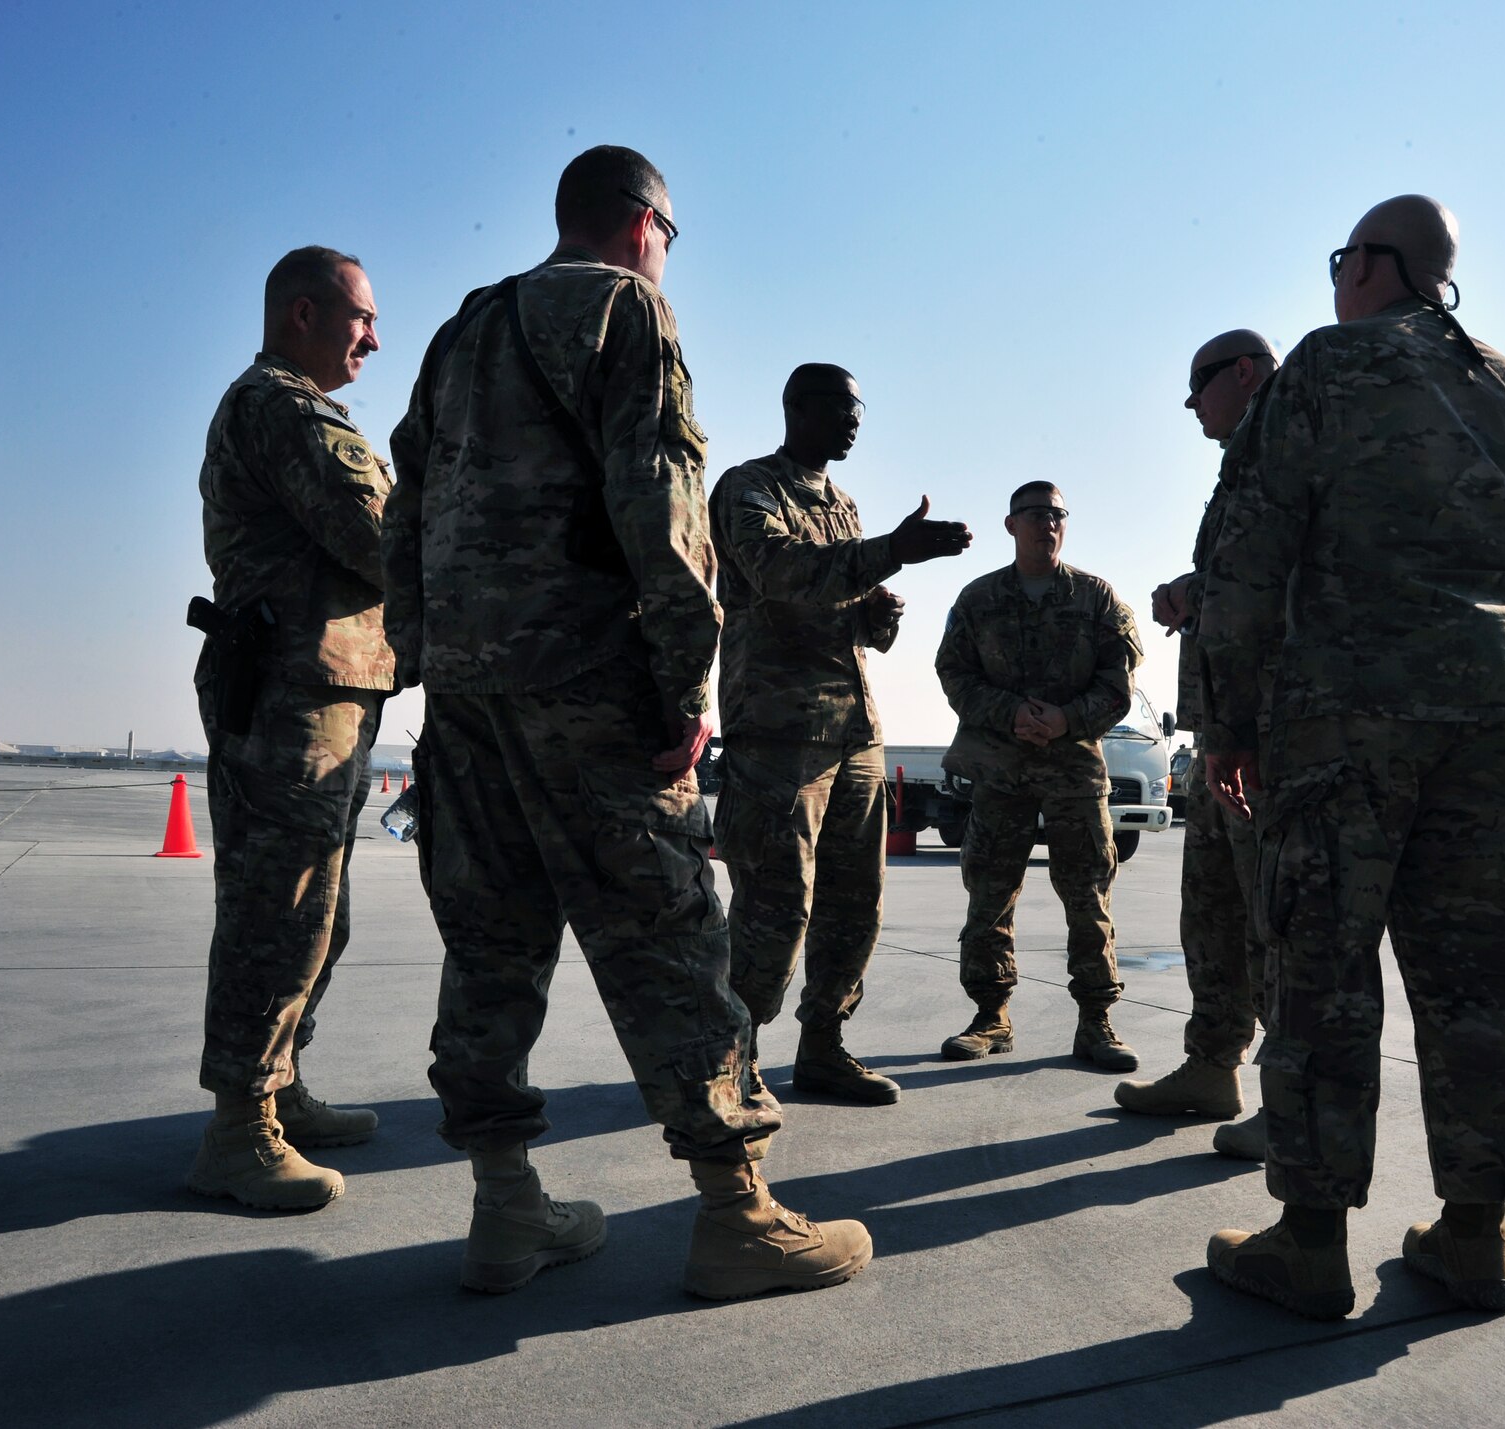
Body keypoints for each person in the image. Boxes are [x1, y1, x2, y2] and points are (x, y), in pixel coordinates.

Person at [385, 146, 870, 1299]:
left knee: (489, 945)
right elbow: (659, 505)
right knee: (667, 942)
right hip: (586, 691)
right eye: (672, 238)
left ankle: (504, 1207)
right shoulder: (624, 311)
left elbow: (405, 507)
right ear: (645, 224)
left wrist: (426, 655)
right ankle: (736, 1212)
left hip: (466, 695)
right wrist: (682, 688)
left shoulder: (464, 329)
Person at [1199, 195, 1505, 1320]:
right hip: (1497, 722)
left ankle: (1310, 1243)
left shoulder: (1326, 367)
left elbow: (1246, 555)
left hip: (1349, 718)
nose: (1332, 282)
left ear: (1375, 265)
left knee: (1321, 972)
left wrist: (1231, 723)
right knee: (1471, 977)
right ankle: (1474, 1235)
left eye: (1339, 260)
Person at [186, 246, 394, 1211]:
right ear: (303, 312)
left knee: (319, 914)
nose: (373, 336)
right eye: (361, 317)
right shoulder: (280, 405)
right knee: (280, 910)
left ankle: (280, 1084)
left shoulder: (290, 406)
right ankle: (242, 1128)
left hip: (322, 693)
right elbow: (377, 533)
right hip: (289, 696)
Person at [709, 364, 971, 1106]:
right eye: (841, 406)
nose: (855, 419)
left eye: (861, 408)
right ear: (797, 407)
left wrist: (874, 616)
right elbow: (781, 574)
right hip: (781, 733)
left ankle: (824, 1043)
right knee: (775, 905)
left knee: (855, 904)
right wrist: (891, 550)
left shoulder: (844, 505)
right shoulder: (749, 487)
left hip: (855, 731)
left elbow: (836, 600)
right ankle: (732, 1056)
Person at [1115, 331, 1278, 1140]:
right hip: (1222, 736)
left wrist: (1199, 589)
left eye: (1198, 386)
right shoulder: (1243, 461)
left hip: (1269, 738)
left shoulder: (1291, 444)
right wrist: (1195, 591)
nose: (1190, 404)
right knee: (1211, 909)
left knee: (1276, 920)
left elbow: (1289, 575)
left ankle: (1290, 1103)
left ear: (1242, 372)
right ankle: (1214, 1066)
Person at [935, 482, 1144, 1071]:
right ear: (1011, 524)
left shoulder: (1097, 597)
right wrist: (1009, 713)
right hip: (1001, 771)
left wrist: (1066, 719)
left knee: (1088, 895)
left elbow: (1118, 681)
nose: (1048, 524)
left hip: (1074, 771)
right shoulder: (979, 599)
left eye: (1057, 515)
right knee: (990, 894)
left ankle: (1097, 1021)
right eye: (1036, 515)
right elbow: (953, 673)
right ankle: (990, 1016)